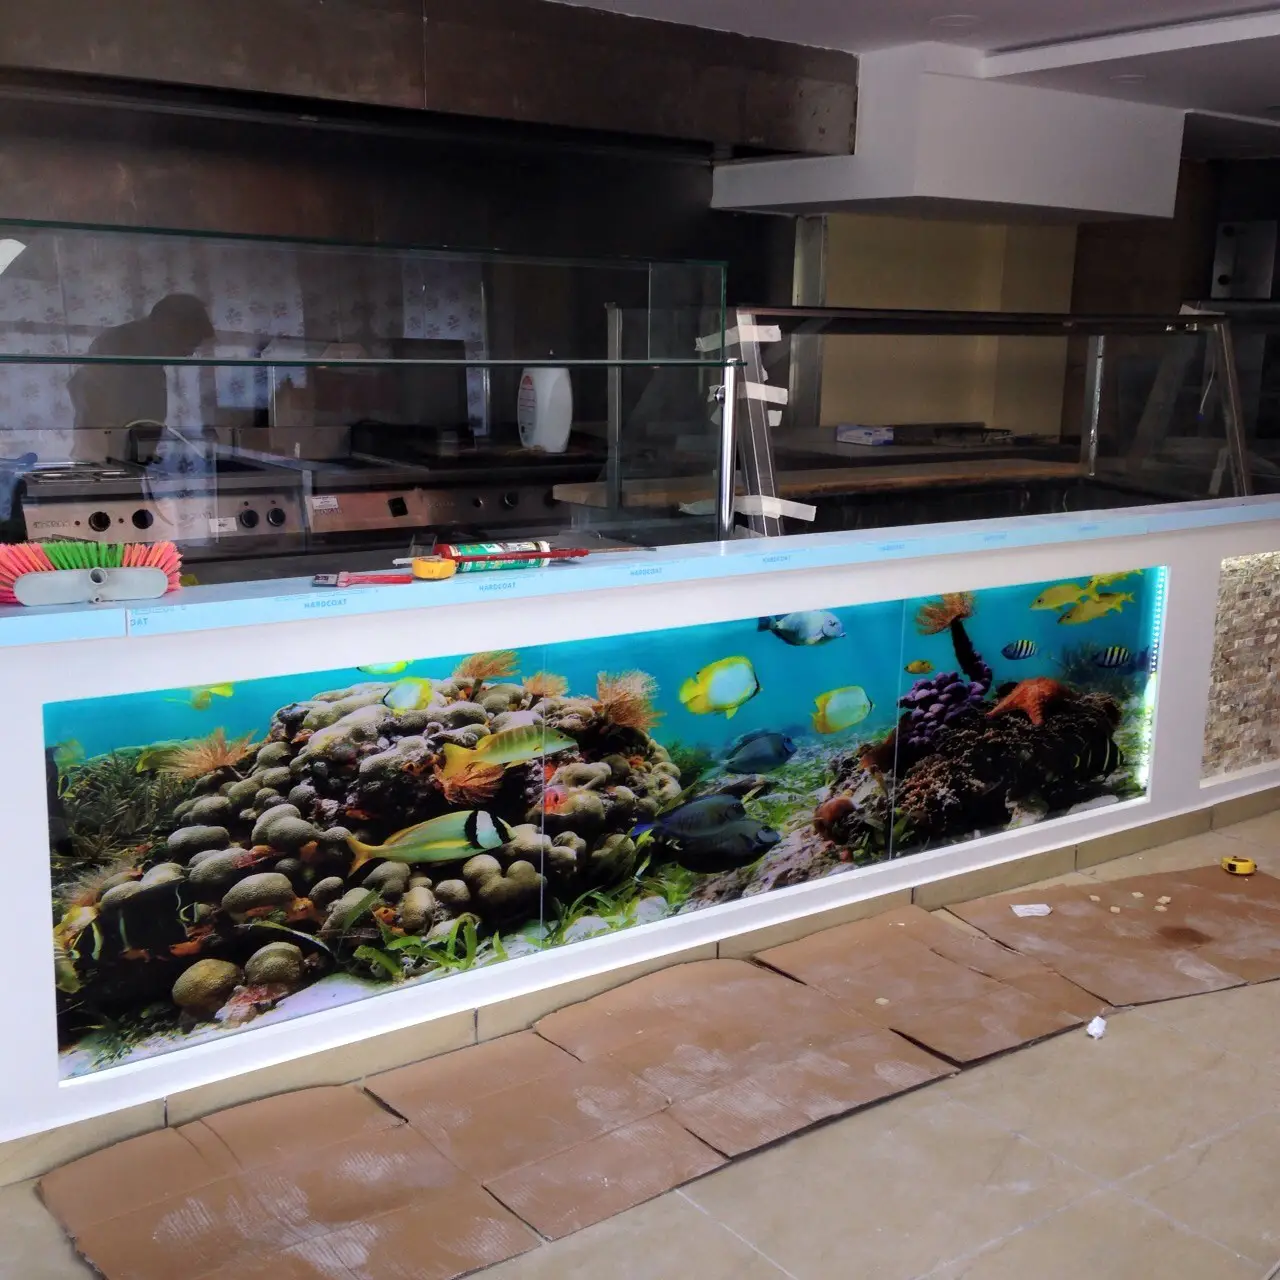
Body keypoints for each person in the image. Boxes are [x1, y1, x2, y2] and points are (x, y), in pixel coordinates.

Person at [68, 293, 214, 437]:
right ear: (169, 326)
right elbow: (88, 392)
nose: (189, 354)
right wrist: (107, 441)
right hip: (109, 442)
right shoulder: (121, 342)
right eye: (190, 344)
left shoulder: (150, 352)